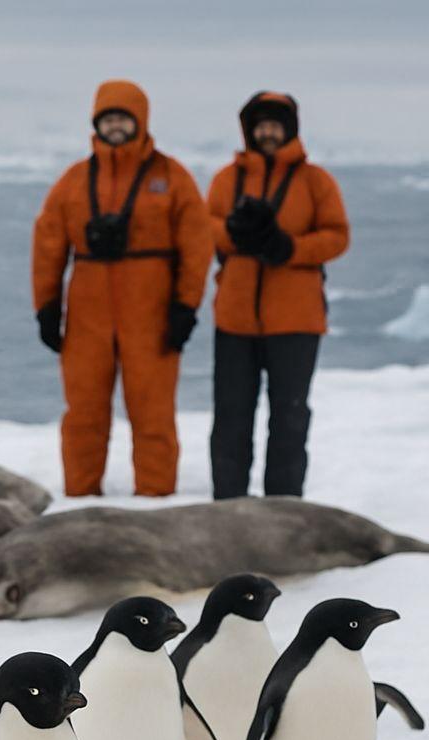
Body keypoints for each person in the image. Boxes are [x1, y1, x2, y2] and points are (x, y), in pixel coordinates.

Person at [32, 80, 212, 497]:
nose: (115, 127)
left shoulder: (171, 177)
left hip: (151, 315)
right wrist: (46, 308)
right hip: (87, 316)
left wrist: (185, 307)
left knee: (153, 415)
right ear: (97, 124)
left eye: (123, 118)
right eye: (108, 119)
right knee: (83, 416)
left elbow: (197, 246)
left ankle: (154, 502)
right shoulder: (74, 181)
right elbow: (47, 246)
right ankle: (79, 498)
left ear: (140, 121)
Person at [206, 92, 349, 499]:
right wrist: (233, 233)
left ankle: (285, 506)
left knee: (289, 417)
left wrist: (290, 248)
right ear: (249, 130)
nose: (267, 132)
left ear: (289, 129)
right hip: (235, 319)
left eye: (275, 124)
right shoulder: (226, 180)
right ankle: (228, 505)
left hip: (296, 319)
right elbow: (203, 227)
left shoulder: (315, 181)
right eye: (261, 125)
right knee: (231, 417)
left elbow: (338, 236)